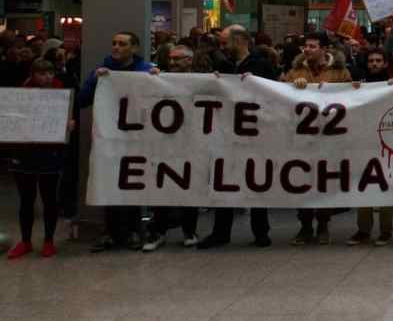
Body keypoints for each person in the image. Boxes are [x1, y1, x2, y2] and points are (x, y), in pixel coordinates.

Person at [199, 27, 277, 249]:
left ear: (241, 41)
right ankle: (220, 232)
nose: (222, 47)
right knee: (224, 182)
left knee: (256, 181)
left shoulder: (261, 65)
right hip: (226, 132)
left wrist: (257, 84)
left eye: (225, 43)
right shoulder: (223, 66)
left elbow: (276, 94)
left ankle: (261, 231)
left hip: (255, 132)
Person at [78, 31, 156, 252]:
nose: (116, 47)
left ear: (134, 48)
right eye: (113, 43)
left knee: (133, 183)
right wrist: (95, 80)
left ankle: (132, 231)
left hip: (136, 138)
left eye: (122, 44)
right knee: (109, 182)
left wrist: (157, 79)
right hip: (110, 138)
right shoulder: (102, 72)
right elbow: (82, 100)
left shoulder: (145, 71)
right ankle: (111, 232)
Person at [286, 32, 353, 245]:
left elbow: (351, 97)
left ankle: (323, 224)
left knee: (324, 182)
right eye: (306, 46)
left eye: (312, 46)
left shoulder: (339, 72)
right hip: (303, 138)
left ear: (324, 49)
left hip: (328, 137)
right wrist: (291, 87)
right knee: (302, 182)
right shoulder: (295, 71)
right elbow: (281, 96)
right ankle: (305, 226)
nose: (307, 49)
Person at [7, 60, 73, 259]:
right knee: (26, 200)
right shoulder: (20, 95)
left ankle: (48, 240)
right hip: (24, 152)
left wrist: (69, 124)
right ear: (33, 74)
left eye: (50, 73)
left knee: (49, 199)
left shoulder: (62, 95)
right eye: (42, 73)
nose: (47, 77)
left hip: (49, 152)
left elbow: (67, 119)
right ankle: (25, 241)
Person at [143, 45, 203, 252]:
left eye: (178, 59)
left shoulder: (202, 81)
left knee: (190, 186)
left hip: (191, 142)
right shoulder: (160, 77)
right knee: (162, 187)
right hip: (165, 141)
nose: (173, 62)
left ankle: (189, 230)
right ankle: (158, 231)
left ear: (189, 61)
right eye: (171, 58)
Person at [347, 49, 393, 246]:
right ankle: (363, 230)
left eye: (378, 60)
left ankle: (386, 231)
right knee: (363, 186)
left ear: (385, 64)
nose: (375, 64)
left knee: (385, 186)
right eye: (371, 61)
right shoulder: (359, 84)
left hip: (386, 143)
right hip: (362, 142)